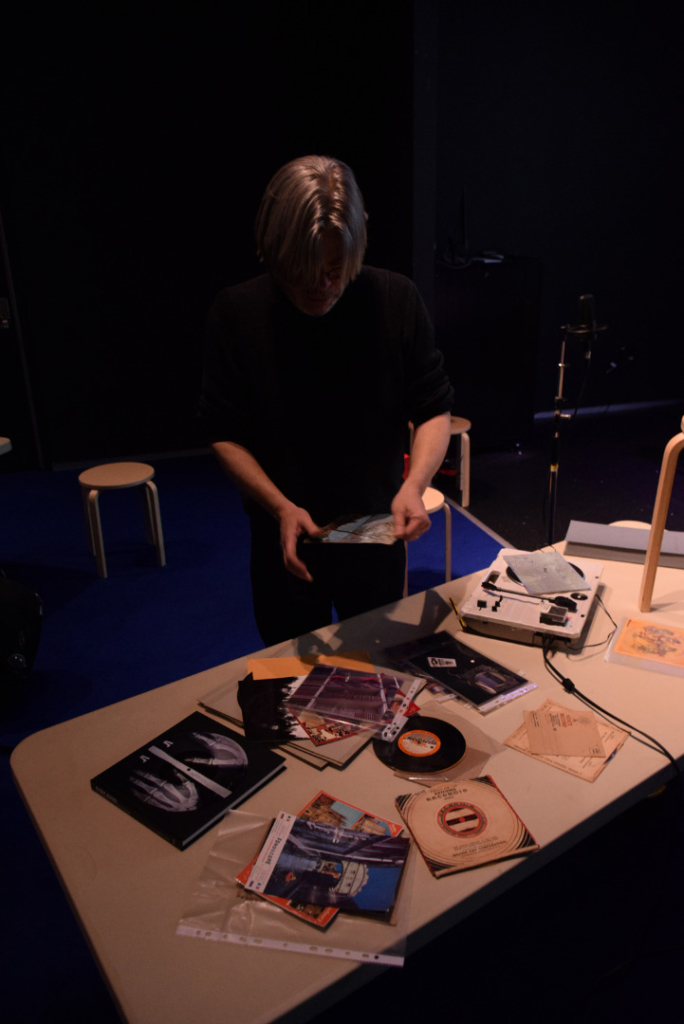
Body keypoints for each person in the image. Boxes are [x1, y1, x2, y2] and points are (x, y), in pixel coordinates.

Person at [199, 155, 453, 645]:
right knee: (291, 683)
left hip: (376, 529)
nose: (323, 285)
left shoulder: (394, 299)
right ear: (274, 253)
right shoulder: (236, 313)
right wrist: (279, 507)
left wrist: (414, 484)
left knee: (379, 669)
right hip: (285, 533)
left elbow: (432, 408)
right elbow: (223, 431)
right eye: (305, 270)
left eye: (337, 268)